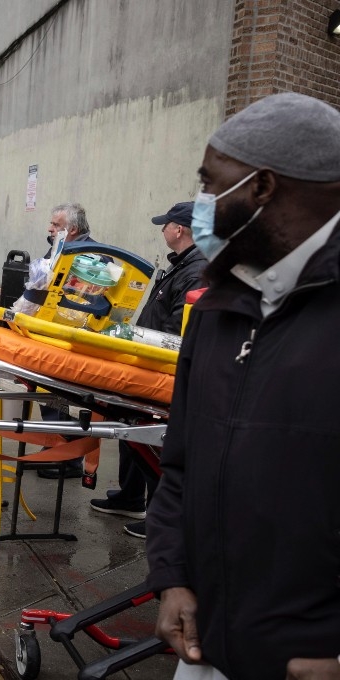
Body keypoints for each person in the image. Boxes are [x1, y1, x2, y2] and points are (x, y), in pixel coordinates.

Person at [147, 92, 340, 680]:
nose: (203, 199)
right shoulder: (221, 300)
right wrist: (173, 577)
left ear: (261, 188)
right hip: (207, 648)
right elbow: (180, 462)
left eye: (211, 181)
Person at [89, 201, 205, 539]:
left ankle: (157, 516)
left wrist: (138, 341)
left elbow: (176, 331)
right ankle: (129, 496)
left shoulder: (194, 270)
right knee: (131, 432)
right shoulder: (183, 264)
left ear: (179, 229)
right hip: (148, 361)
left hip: (161, 370)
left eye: (165, 224)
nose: (162, 229)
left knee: (150, 438)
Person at [34, 201, 98, 480]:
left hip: (71, 338)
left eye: (55, 225)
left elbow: (85, 299)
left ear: (71, 229)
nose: (50, 228)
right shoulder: (60, 247)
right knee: (49, 398)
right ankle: (58, 450)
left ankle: (69, 458)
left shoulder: (93, 256)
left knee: (61, 398)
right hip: (51, 333)